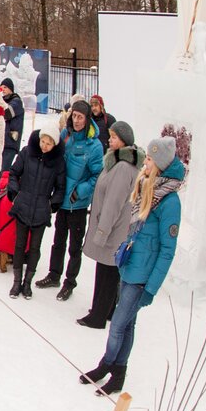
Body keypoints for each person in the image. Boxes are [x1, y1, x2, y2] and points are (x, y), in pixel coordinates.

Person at [80, 137, 184, 395]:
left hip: (142, 276)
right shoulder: (147, 187)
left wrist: (151, 288)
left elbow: (167, 251)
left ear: (159, 165)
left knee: (117, 324)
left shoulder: (169, 201)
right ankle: (118, 373)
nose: (144, 162)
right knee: (127, 325)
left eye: (149, 159)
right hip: (129, 267)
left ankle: (107, 365)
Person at [78, 121, 144, 329]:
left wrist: (102, 231)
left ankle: (98, 316)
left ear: (124, 141)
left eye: (114, 137)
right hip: (113, 228)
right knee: (107, 271)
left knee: (107, 272)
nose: (109, 140)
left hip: (113, 230)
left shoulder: (123, 167)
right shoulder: (117, 162)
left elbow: (113, 204)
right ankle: (105, 311)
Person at [37, 99, 104, 301]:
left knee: (74, 247)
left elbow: (97, 175)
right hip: (62, 199)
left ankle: (69, 282)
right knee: (58, 241)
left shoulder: (94, 146)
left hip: (78, 203)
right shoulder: (66, 135)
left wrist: (81, 191)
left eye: (80, 117)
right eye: (74, 116)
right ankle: (54, 275)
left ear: (87, 119)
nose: (76, 120)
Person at [5, 124, 67, 299]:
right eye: (43, 141)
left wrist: (51, 205)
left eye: (49, 143)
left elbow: (60, 187)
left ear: (54, 145)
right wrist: (15, 192)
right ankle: (16, 282)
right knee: (19, 245)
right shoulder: (27, 152)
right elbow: (14, 173)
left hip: (41, 210)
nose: (44, 146)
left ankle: (27, 283)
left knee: (34, 248)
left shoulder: (58, 162)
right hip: (23, 205)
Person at [0, 78, 25, 172]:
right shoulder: (3, 101)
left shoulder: (17, 101)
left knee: (4, 171)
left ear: (11, 89)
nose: (2, 89)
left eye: (5, 87)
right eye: (1, 87)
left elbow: (7, 113)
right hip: (1, 141)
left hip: (10, 142)